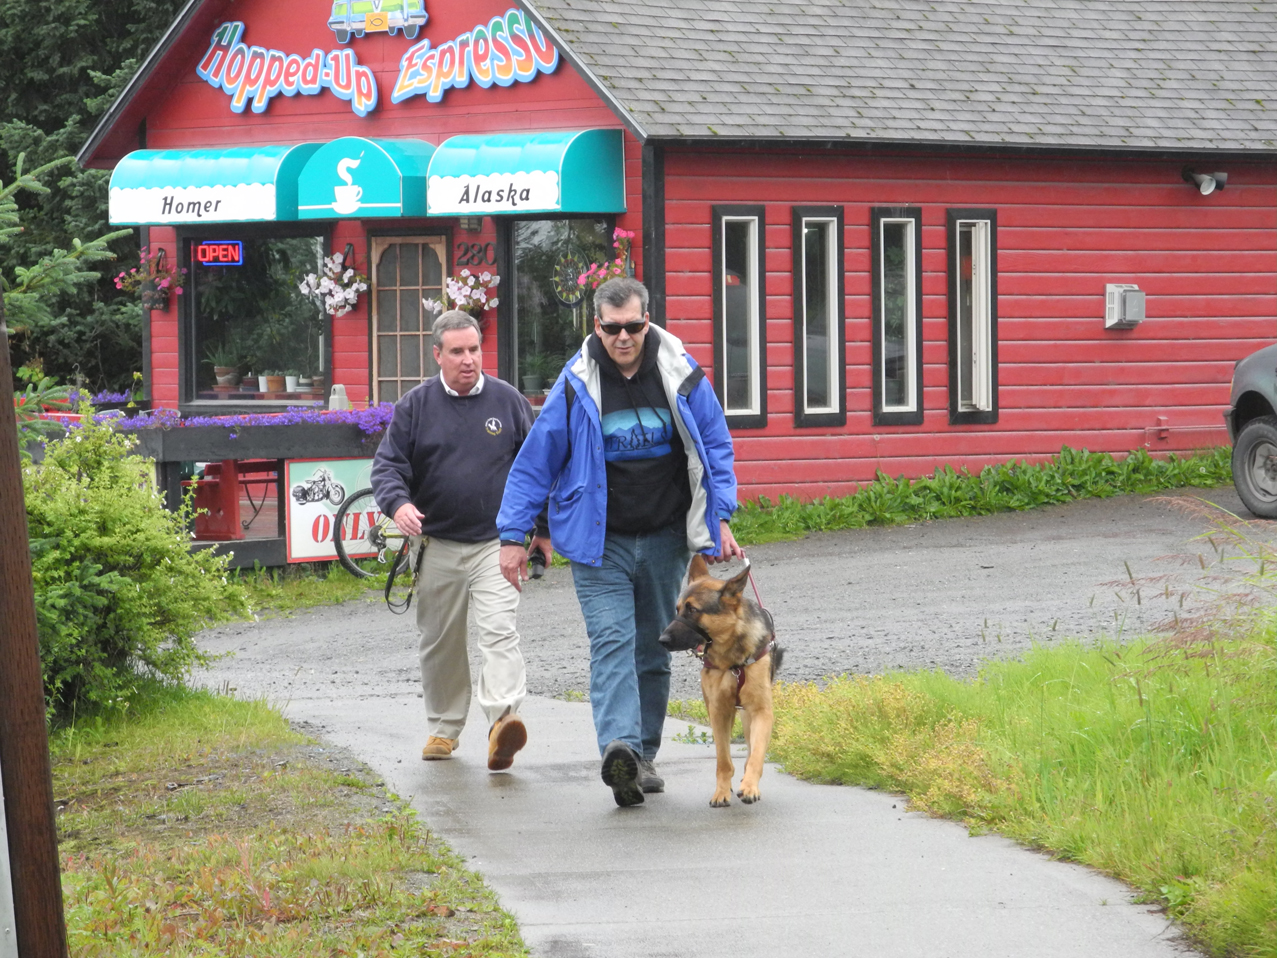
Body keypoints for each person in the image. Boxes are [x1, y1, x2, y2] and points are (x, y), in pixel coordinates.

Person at [497, 277, 743, 806]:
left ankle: (643, 757)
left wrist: (720, 518)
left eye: (633, 326)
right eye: (613, 329)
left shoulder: (680, 372)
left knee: (655, 648)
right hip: (597, 541)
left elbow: (716, 445)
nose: (624, 337)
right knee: (611, 642)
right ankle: (620, 750)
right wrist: (514, 535)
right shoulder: (575, 383)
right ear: (597, 326)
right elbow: (536, 463)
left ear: (647, 320)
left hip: (666, 536)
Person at [371, 310, 551, 770]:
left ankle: (502, 724)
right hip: (437, 544)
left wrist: (543, 530)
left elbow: (536, 471)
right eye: (457, 352)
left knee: (499, 631)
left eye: (474, 349)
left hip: (499, 543)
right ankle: (444, 729)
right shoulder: (415, 405)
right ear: (438, 355)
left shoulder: (509, 402)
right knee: (440, 639)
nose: (468, 360)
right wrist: (399, 506)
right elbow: (388, 467)